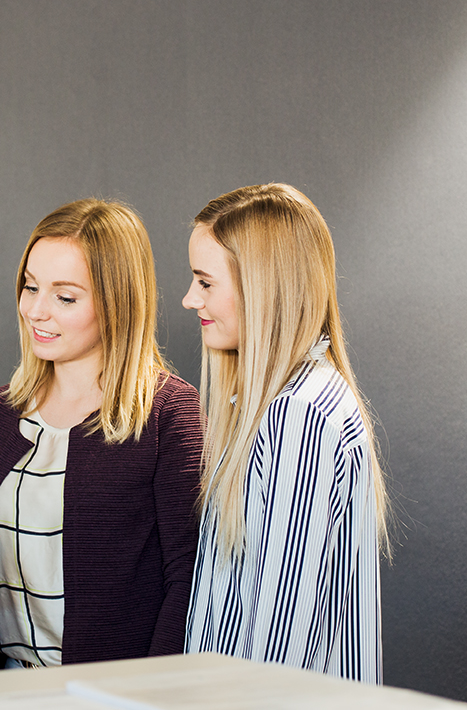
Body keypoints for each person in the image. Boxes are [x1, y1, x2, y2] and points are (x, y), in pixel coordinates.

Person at [0, 199, 203, 670]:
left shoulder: (170, 414)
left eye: (65, 297)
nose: (36, 311)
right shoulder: (1, 412)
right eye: (30, 288)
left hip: (114, 696)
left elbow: (188, 584)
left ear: (118, 302)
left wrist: (151, 698)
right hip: (1, 690)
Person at [181, 183, 388, 683]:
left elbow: (278, 638)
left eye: (205, 283)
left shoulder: (300, 415)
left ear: (263, 289)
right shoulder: (276, 403)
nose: (190, 300)